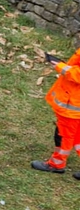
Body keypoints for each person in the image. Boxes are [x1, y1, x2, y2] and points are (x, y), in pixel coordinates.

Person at [32, 48, 80, 176]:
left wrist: (59, 65)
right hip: (73, 104)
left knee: (64, 136)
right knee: (76, 137)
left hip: (72, 107)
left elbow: (77, 74)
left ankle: (56, 164)